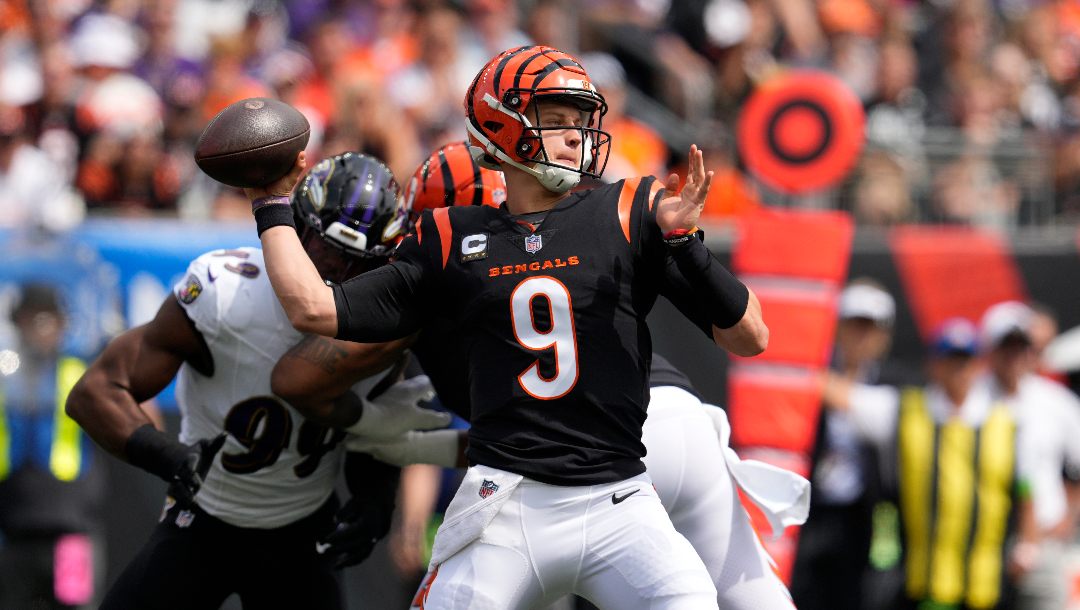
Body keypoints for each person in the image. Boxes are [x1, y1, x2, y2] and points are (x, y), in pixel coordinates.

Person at [247, 45, 769, 609]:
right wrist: (271, 203)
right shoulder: (446, 236)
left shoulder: (627, 209)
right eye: (558, 121)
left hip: (622, 498)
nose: (577, 136)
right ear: (503, 121)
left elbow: (750, 337)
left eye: (580, 122)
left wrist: (686, 246)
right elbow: (313, 310)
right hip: (506, 504)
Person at [65, 152, 446, 610]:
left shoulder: (383, 321)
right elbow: (96, 392)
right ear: (296, 230)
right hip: (205, 517)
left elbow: (375, 424)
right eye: (328, 250)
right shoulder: (224, 290)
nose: (337, 274)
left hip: (302, 528)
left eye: (358, 262)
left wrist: (375, 497)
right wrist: (167, 455)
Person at [823, 317, 1035, 610]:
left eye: (966, 360)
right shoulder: (907, 411)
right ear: (933, 365)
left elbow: (1026, 488)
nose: (959, 370)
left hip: (988, 583)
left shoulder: (1006, 421)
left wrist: (1027, 543)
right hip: (923, 581)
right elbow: (846, 397)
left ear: (978, 366)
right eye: (950, 360)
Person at [792, 279, 911, 610]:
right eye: (855, 325)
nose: (863, 336)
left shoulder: (895, 381)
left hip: (868, 516)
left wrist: (813, 379)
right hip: (811, 511)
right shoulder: (818, 371)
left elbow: (881, 418)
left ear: (885, 336)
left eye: (871, 328)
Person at [0, 283, 103, 609]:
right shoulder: (5, 375)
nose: (41, 331)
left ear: (62, 324)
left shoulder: (79, 371)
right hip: (11, 530)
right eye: (32, 321)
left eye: (48, 321)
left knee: (74, 606)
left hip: (71, 530)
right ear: (18, 324)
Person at [977, 301, 1080, 610]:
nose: (1015, 355)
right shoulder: (971, 399)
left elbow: (1076, 466)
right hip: (981, 547)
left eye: (1022, 346)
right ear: (989, 350)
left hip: (1045, 545)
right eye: (1006, 346)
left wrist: (1068, 517)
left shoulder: (1056, 401)